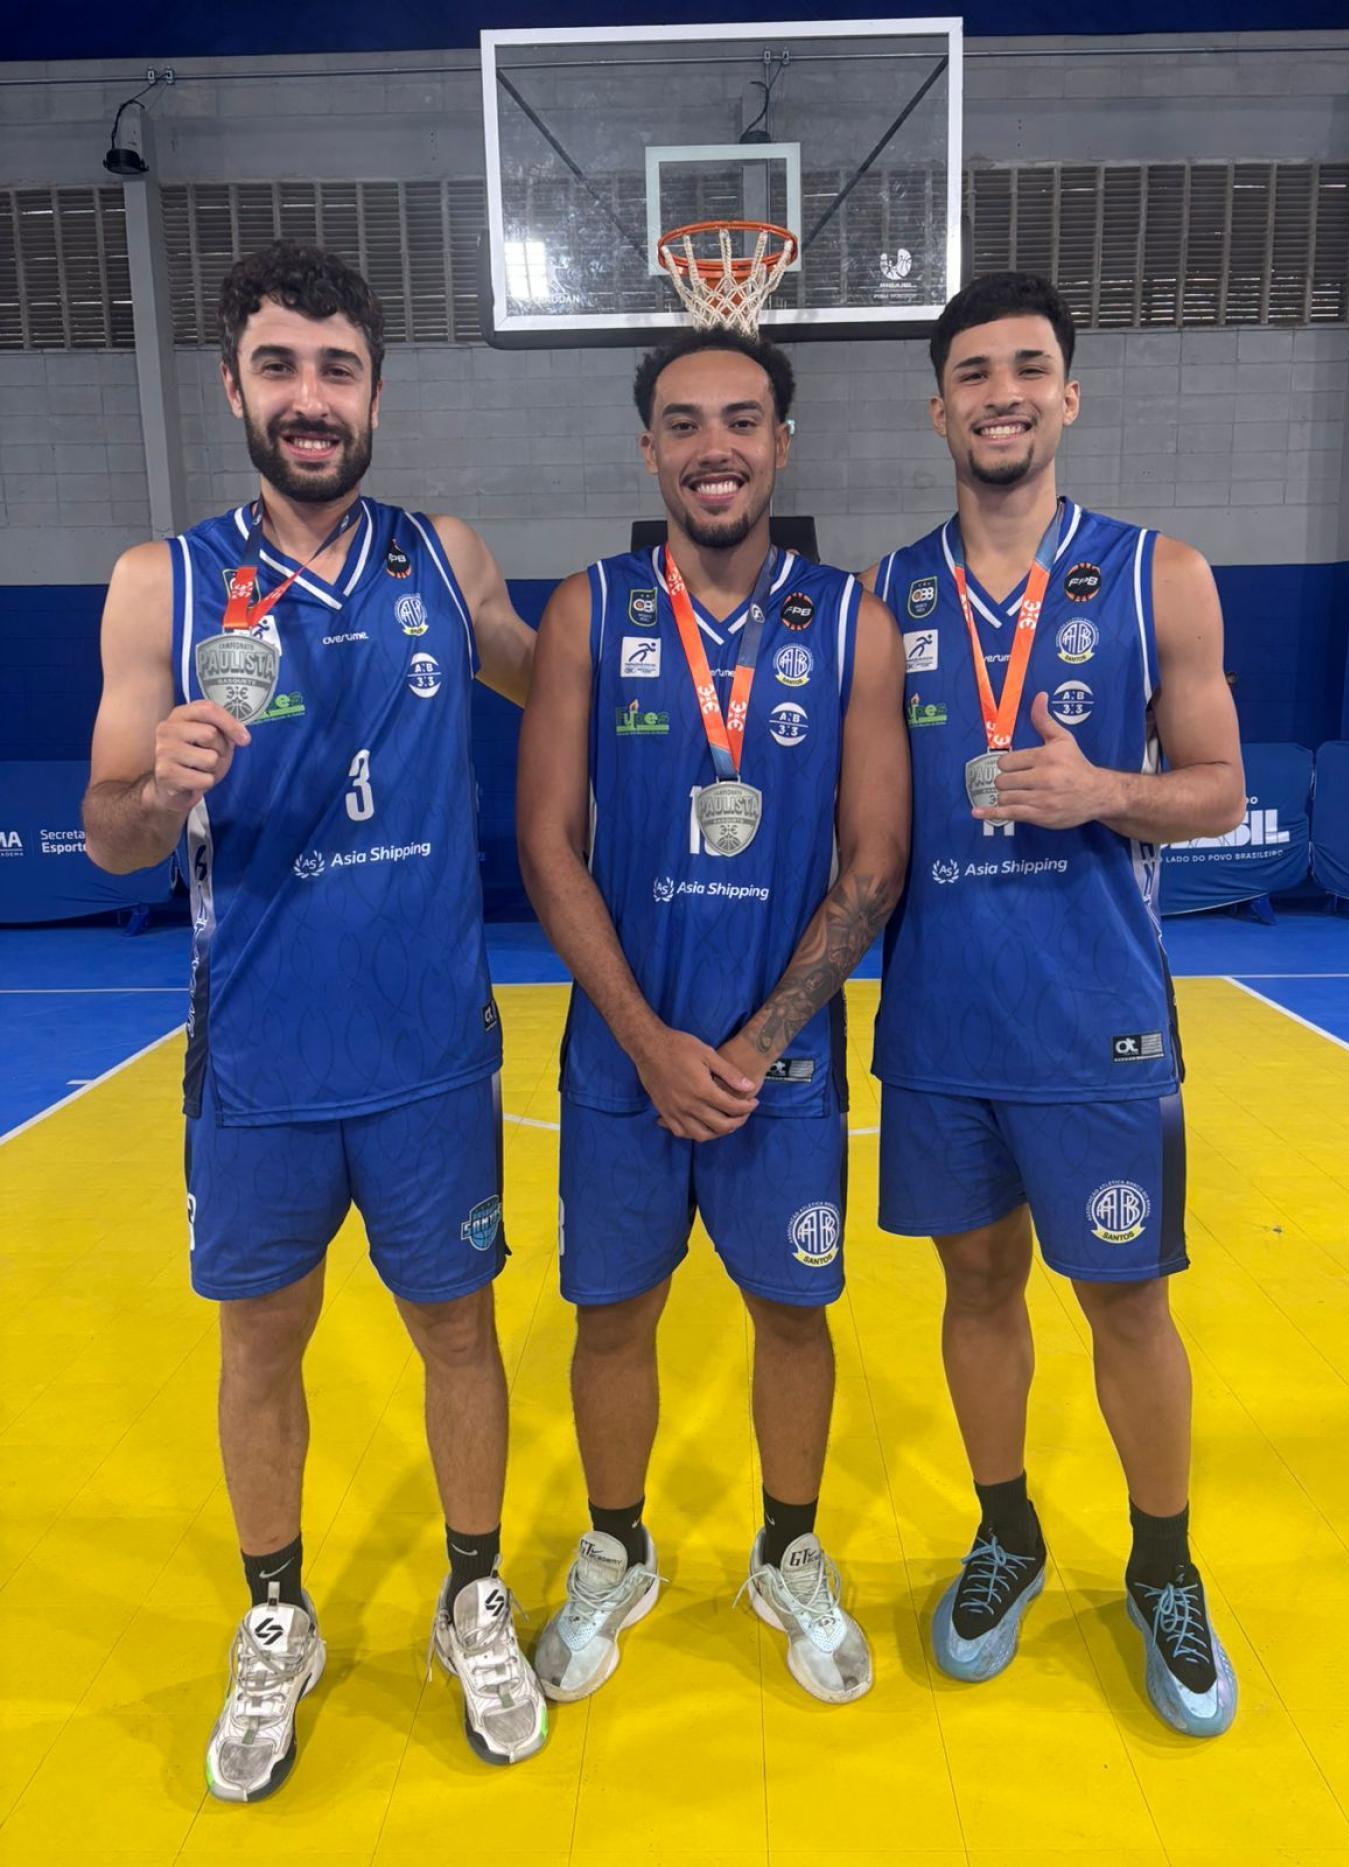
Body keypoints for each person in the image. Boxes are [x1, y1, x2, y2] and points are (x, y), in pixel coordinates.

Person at [83, 241, 547, 1796]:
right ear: (234, 385)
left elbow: (557, 701)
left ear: (373, 391)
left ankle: (473, 1590)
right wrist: (163, 783)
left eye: (336, 370)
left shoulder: (444, 557)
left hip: (430, 1057)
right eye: (279, 367)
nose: (309, 399)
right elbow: (106, 833)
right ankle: (277, 1616)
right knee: (262, 1343)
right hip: (265, 1059)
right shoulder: (166, 581)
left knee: (457, 1329)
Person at [865, 271, 1245, 1739]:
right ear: (942, 407)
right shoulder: (888, 595)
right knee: (976, 1290)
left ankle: (1162, 1567)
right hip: (946, 1025)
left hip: (1099, 1021)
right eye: (973, 372)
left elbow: (1219, 789)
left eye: (1028, 367)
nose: (1002, 392)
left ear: (1068, 394)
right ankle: (1009, 1529)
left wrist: (1106, 794)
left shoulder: (1163, 575)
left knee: (1128, 1303)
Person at [517, 329, 908, 1707]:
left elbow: (873, 864)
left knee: (791, 1316)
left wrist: (750, 1046)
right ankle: (618, 1548)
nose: (715, 446)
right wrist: (645, 1037)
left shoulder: (854, 619)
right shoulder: (589, 611)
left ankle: (788, 1551)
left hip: (779, 1069)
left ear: (782, 441)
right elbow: (548, 847)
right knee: (611, 1316)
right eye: (684, 423)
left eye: (742, 419)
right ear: (649, 452)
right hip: (625, 1059)